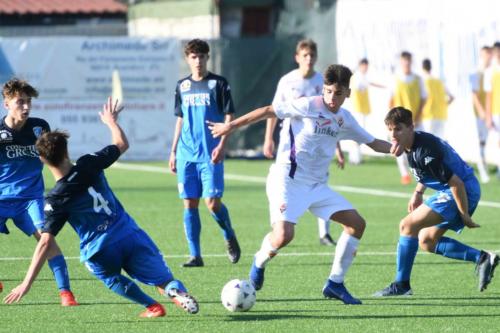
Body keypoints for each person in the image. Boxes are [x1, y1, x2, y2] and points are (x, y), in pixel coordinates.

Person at [209, 64, 393, 304]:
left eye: (338, 93)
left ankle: (335, 284)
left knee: (356, 224)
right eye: (328, 91)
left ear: (348, 93)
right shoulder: (308, 105)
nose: (332, 98)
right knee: (284, 235)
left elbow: (374, 143)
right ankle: (259, 260)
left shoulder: (345, 119)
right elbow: (268, 110)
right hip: (287, 179)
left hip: (316, 187)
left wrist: (407, 147)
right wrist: (230, 127)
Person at [4, 98, 199, 318]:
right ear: (67, 151)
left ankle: (151, 306)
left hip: (100, 249)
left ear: (42, 159)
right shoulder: (90, 162)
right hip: (128, 233)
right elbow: (122, 144)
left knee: (107, 275)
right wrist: (111, 121)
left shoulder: (56, 198)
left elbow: (45, 243)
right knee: (162, 280)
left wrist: (26, 283)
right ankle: (175, 291)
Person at [374, 107, 498, 297]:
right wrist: (418, 192)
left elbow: (456, 183)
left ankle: (401, 285)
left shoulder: (425, 151)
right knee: (427, 241)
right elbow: (426, 173)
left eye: (398, 129)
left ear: (410, 127)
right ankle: (482, 258)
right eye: (390, 129)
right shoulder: (413, 143)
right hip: (456, 189)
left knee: (407, 226)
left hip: (462, 190)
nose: (393, 134)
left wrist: (464, 215)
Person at [0, 78, 77, 306]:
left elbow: (55, 158)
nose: (25, 107)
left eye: (28, 102)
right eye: (19, 102)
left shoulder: (39, 127)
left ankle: (66, 293)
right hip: (2, 199)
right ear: (7, 104)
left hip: (31, 199)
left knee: (47, 240)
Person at [263, 38, 343, 246]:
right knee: (289, 179)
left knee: (320, 182)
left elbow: (332, 117)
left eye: (312, 55)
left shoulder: (322, 83)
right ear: (297, 58)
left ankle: (324, 233)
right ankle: (281, 222)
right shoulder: (287, 81)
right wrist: (268, 139)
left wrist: (338, 149)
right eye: (305, 55)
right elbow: (273, 110)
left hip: (319, 144)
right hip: (291, 144)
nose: (309, 59)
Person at [169, 39, 240, 267]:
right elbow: (180, 119)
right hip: (186, 154)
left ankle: (228, 234)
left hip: (210, 153)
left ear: (207, 58)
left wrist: (222, 145)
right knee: (189, 203)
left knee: (212, 203)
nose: (198, 61)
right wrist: (173, 151)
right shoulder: (182, 86)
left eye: (201, 56)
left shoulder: (219, 84)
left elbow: (229, 116)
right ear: (187, 59)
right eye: (193, 57)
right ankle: (195, 255)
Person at [390, 51, 427, 185]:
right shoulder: (396, 79)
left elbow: (424, 98)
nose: (406, 63)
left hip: (416, 120)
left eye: (408, 61)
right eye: (404, 61)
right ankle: (404, 174)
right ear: (401, 62)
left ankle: (421, 172)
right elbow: (391, 99)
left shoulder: (418, 79)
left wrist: (416, 116)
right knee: (399, 146)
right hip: (399, 121)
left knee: (418, 146)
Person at [349, 58, 385, 165]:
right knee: (358, 134)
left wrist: (383, 87)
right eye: (364, 66)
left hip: (362, 109)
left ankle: (356, 158)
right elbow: (361, 86)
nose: (366, 68)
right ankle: (355, 158)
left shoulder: (361, 77)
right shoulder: (357, 77)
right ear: (361, 66)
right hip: (358, 109)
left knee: (359, 134)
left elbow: (370, 83)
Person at [469, 46, 492, 184]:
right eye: (485, 54)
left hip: (492, 112)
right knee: (481, 142)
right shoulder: (476, 73)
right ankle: (482, 170)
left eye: (490, 54)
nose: (488, 57)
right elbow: (474, 94)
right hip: (480, 114)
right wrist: (482, 111)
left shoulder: (493, 71)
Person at [420, 58, 454, 139]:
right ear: (431, 67)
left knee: (428, 142)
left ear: (422, 67)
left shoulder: (422, 81)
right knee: (439, 141)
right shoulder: (439, 81)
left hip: (428, 115)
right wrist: (444, 105)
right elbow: (452, 97)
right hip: (441, 114)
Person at [484, 41, 500, 179]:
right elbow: (489, 95)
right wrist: (488, 115)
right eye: (497, 51)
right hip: (496, 112)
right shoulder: (490, 72)